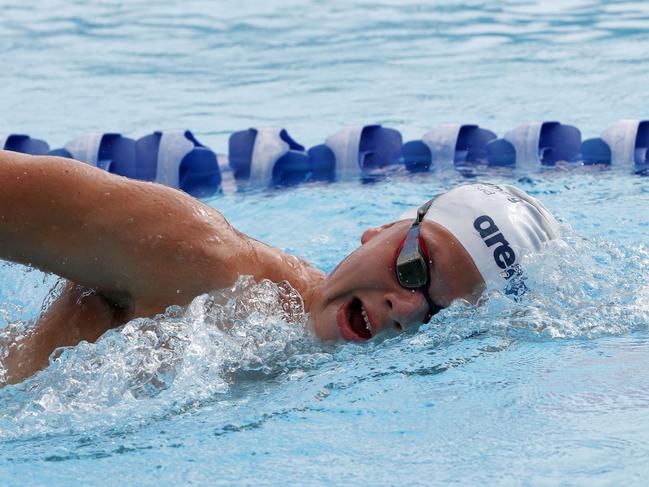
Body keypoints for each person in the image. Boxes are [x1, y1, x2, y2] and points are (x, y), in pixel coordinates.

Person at [0, 150, 559, 385]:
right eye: (416, 268)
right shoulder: (199, 258)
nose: (407, 308)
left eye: (439, 317)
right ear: (384, 230)